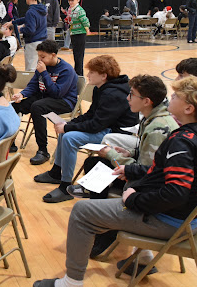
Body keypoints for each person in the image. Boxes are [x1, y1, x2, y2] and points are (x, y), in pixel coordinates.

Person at [32, 77, 197, 287]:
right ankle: (142, 257)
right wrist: (133, 172)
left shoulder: (182, 142)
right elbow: (165, 175)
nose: (169, 99)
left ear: (188, 108)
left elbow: (175, 192)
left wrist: (135, 199)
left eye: (174, 97)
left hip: (170, 220)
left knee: (82, 212)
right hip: (190, 217)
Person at [38, 55, 136, 203]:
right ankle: (56, 173)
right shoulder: (101, 88)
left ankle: (65, 187)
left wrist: (68, 127)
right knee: (66, 133)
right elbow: (90, 114)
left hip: (117, 135)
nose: (88, 75)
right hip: (106, 128)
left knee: (70, 137)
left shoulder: (113, 94)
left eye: (91, 72)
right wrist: (69, 124)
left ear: (103, 75)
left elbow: (96, 124)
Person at [70, 74, 175, 200]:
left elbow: (145, 171)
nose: (127, 98)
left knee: (95, 164)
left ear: (146, 101)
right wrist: (130, 153)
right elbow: (151, 155)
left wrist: (111, 154)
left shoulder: (157, 128)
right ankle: (99, 204)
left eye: (132, 94)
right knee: (93, 162)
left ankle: (99, 208)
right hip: (147, 176)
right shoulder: (152, 117)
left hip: (147, 187)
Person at [11, 40, 78, 166]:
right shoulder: (42, 67)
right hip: (45, 98)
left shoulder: (66, 70)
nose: (39, 59)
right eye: (39, 56)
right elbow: (33, 85)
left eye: (43, 57)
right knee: (14, 106)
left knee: (38, 106)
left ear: (53, 55)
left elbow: (57, 93)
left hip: (64, 101)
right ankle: (10, 142)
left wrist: (44, 73)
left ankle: (43, 150)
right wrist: (22, 94)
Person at [64, 0, 89, 77]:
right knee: (76, 54)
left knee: (79, 55)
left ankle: (79, 74)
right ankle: (77, 72)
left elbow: (85, 21)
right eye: (69, 0)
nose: (70, 2)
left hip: (79, 34)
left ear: (77, 0)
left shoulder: (79, 10)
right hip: (73, 33)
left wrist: (87, 30)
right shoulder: (72, 9)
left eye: (72, 0)